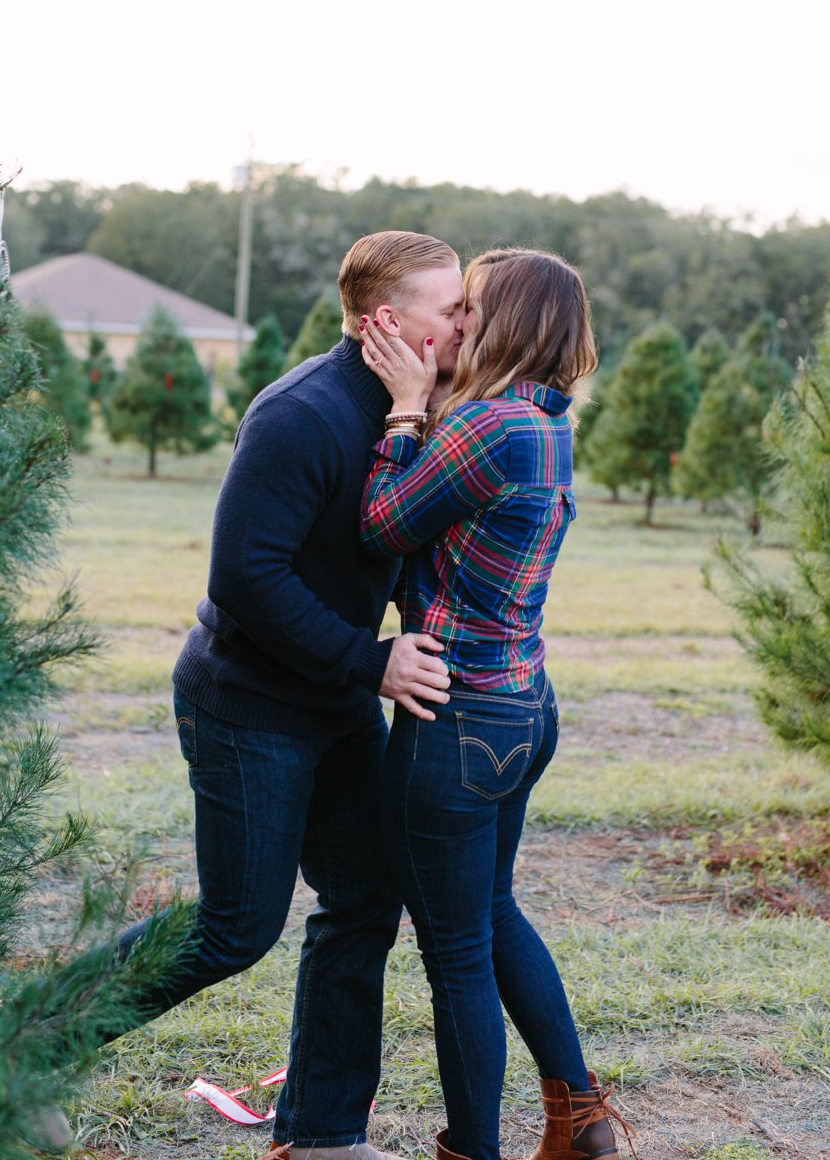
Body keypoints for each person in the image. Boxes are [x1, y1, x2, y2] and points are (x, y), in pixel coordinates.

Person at [108, 231, 466, 1160]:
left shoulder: (413, 407)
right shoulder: (301, 414)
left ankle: (323, 1136)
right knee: (236, 927)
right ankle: (21, 1052)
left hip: (335, 700)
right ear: (389, 321)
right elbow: (244, 578)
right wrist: (373, 661)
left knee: (363, 898)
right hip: (250, 701)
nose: (469, 319)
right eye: (452, 306)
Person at [357, 250, 638, 1160]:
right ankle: (581, 1119)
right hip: (522, 705)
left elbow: (384, 523)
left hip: (457, 720)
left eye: (473, 307)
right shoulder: (545, 422)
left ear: (505, 323)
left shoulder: (488, 427)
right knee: (494, 912)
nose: (461, 320)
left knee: (455, 954)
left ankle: (473, 1152)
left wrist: (403, 412)